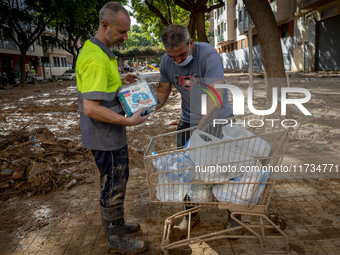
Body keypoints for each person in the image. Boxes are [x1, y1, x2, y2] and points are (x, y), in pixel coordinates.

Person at [155, 24, 241, 238]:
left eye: (182, 54)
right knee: (185, 172)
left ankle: (235, 217)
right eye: (172, 56)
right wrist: (145, 106)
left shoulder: (208, 55)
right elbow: (162, 93)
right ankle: (191, 215)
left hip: (219, 120)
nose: (177, 61)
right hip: (187, 122)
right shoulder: (167, 61)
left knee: (228, 171)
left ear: (191, 43)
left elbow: (216, 99)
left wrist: (200, 134)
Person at [76, 2, 148, 254]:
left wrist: (121, 83)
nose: (126, 38)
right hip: (105, 137)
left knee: (116, 182)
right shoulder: (95, 58)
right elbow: (91, 107)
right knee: (113, 184)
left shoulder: (102, 52)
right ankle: (115, 240)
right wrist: (128, 121)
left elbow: (102, 92)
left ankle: (115, 224)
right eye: (121, 32)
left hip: (109, 134)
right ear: (105, 26)